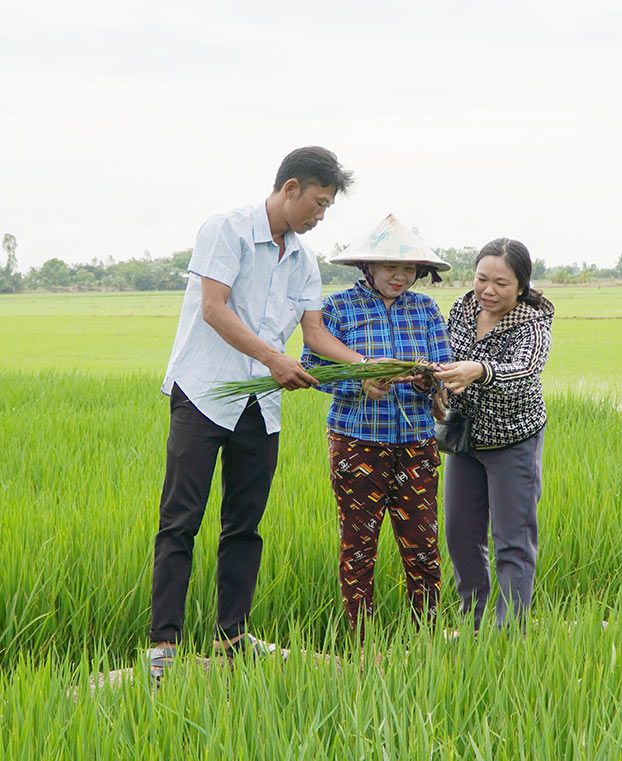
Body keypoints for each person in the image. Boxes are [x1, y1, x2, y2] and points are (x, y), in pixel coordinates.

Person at [147, 147, 365, 679]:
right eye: (318, 202)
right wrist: (273, 359)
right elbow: (213, 308)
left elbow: (314, 335)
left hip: (260, 404)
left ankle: (232, 636)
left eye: (328, 207)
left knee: (244, 524)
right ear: (290, 188)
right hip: (204, 392)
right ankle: (163, 646)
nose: (320, 215)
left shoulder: (305, 260)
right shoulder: (227, 230)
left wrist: (368, 367)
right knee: (181, 520)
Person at [301, 215, 452, 638]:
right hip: (357, 443)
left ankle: (426, 640)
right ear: (367, 268)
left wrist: (429, 380)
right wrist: (359, 383)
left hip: (416, 443)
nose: (400, 276)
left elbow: (443, 366)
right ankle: (362, 643)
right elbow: (313, 369)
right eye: (389, 267)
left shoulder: (425, 309)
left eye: (408, 269)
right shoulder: (337, 307)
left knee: (422, 547)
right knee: (358, 548)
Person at [433, 238, 554, 631]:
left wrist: (479, 371)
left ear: (521, 285)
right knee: (461, 536)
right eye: (481, 278)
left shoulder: (532, 324)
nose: (488, 290)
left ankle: (509, 634)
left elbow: (523, 371)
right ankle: (473, 624)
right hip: (464, 439)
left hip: (513, 441)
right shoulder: (463, 309)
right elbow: (443, 356)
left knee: (512, 541)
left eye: (501, 282)